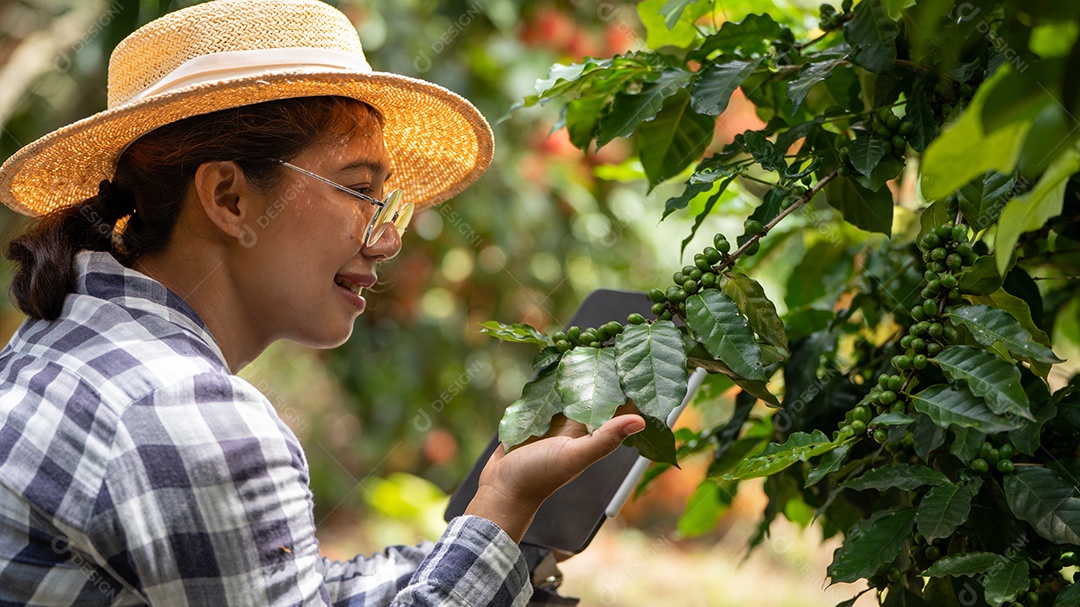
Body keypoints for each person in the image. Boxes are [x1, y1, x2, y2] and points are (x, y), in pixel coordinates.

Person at [0, 1, 644, 605]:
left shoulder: (61, 344)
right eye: (361, 192)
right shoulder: (187, 413)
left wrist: (500, 542)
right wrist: (501, 507)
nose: (388, 240)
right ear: (229, 198)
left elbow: (271, 583)